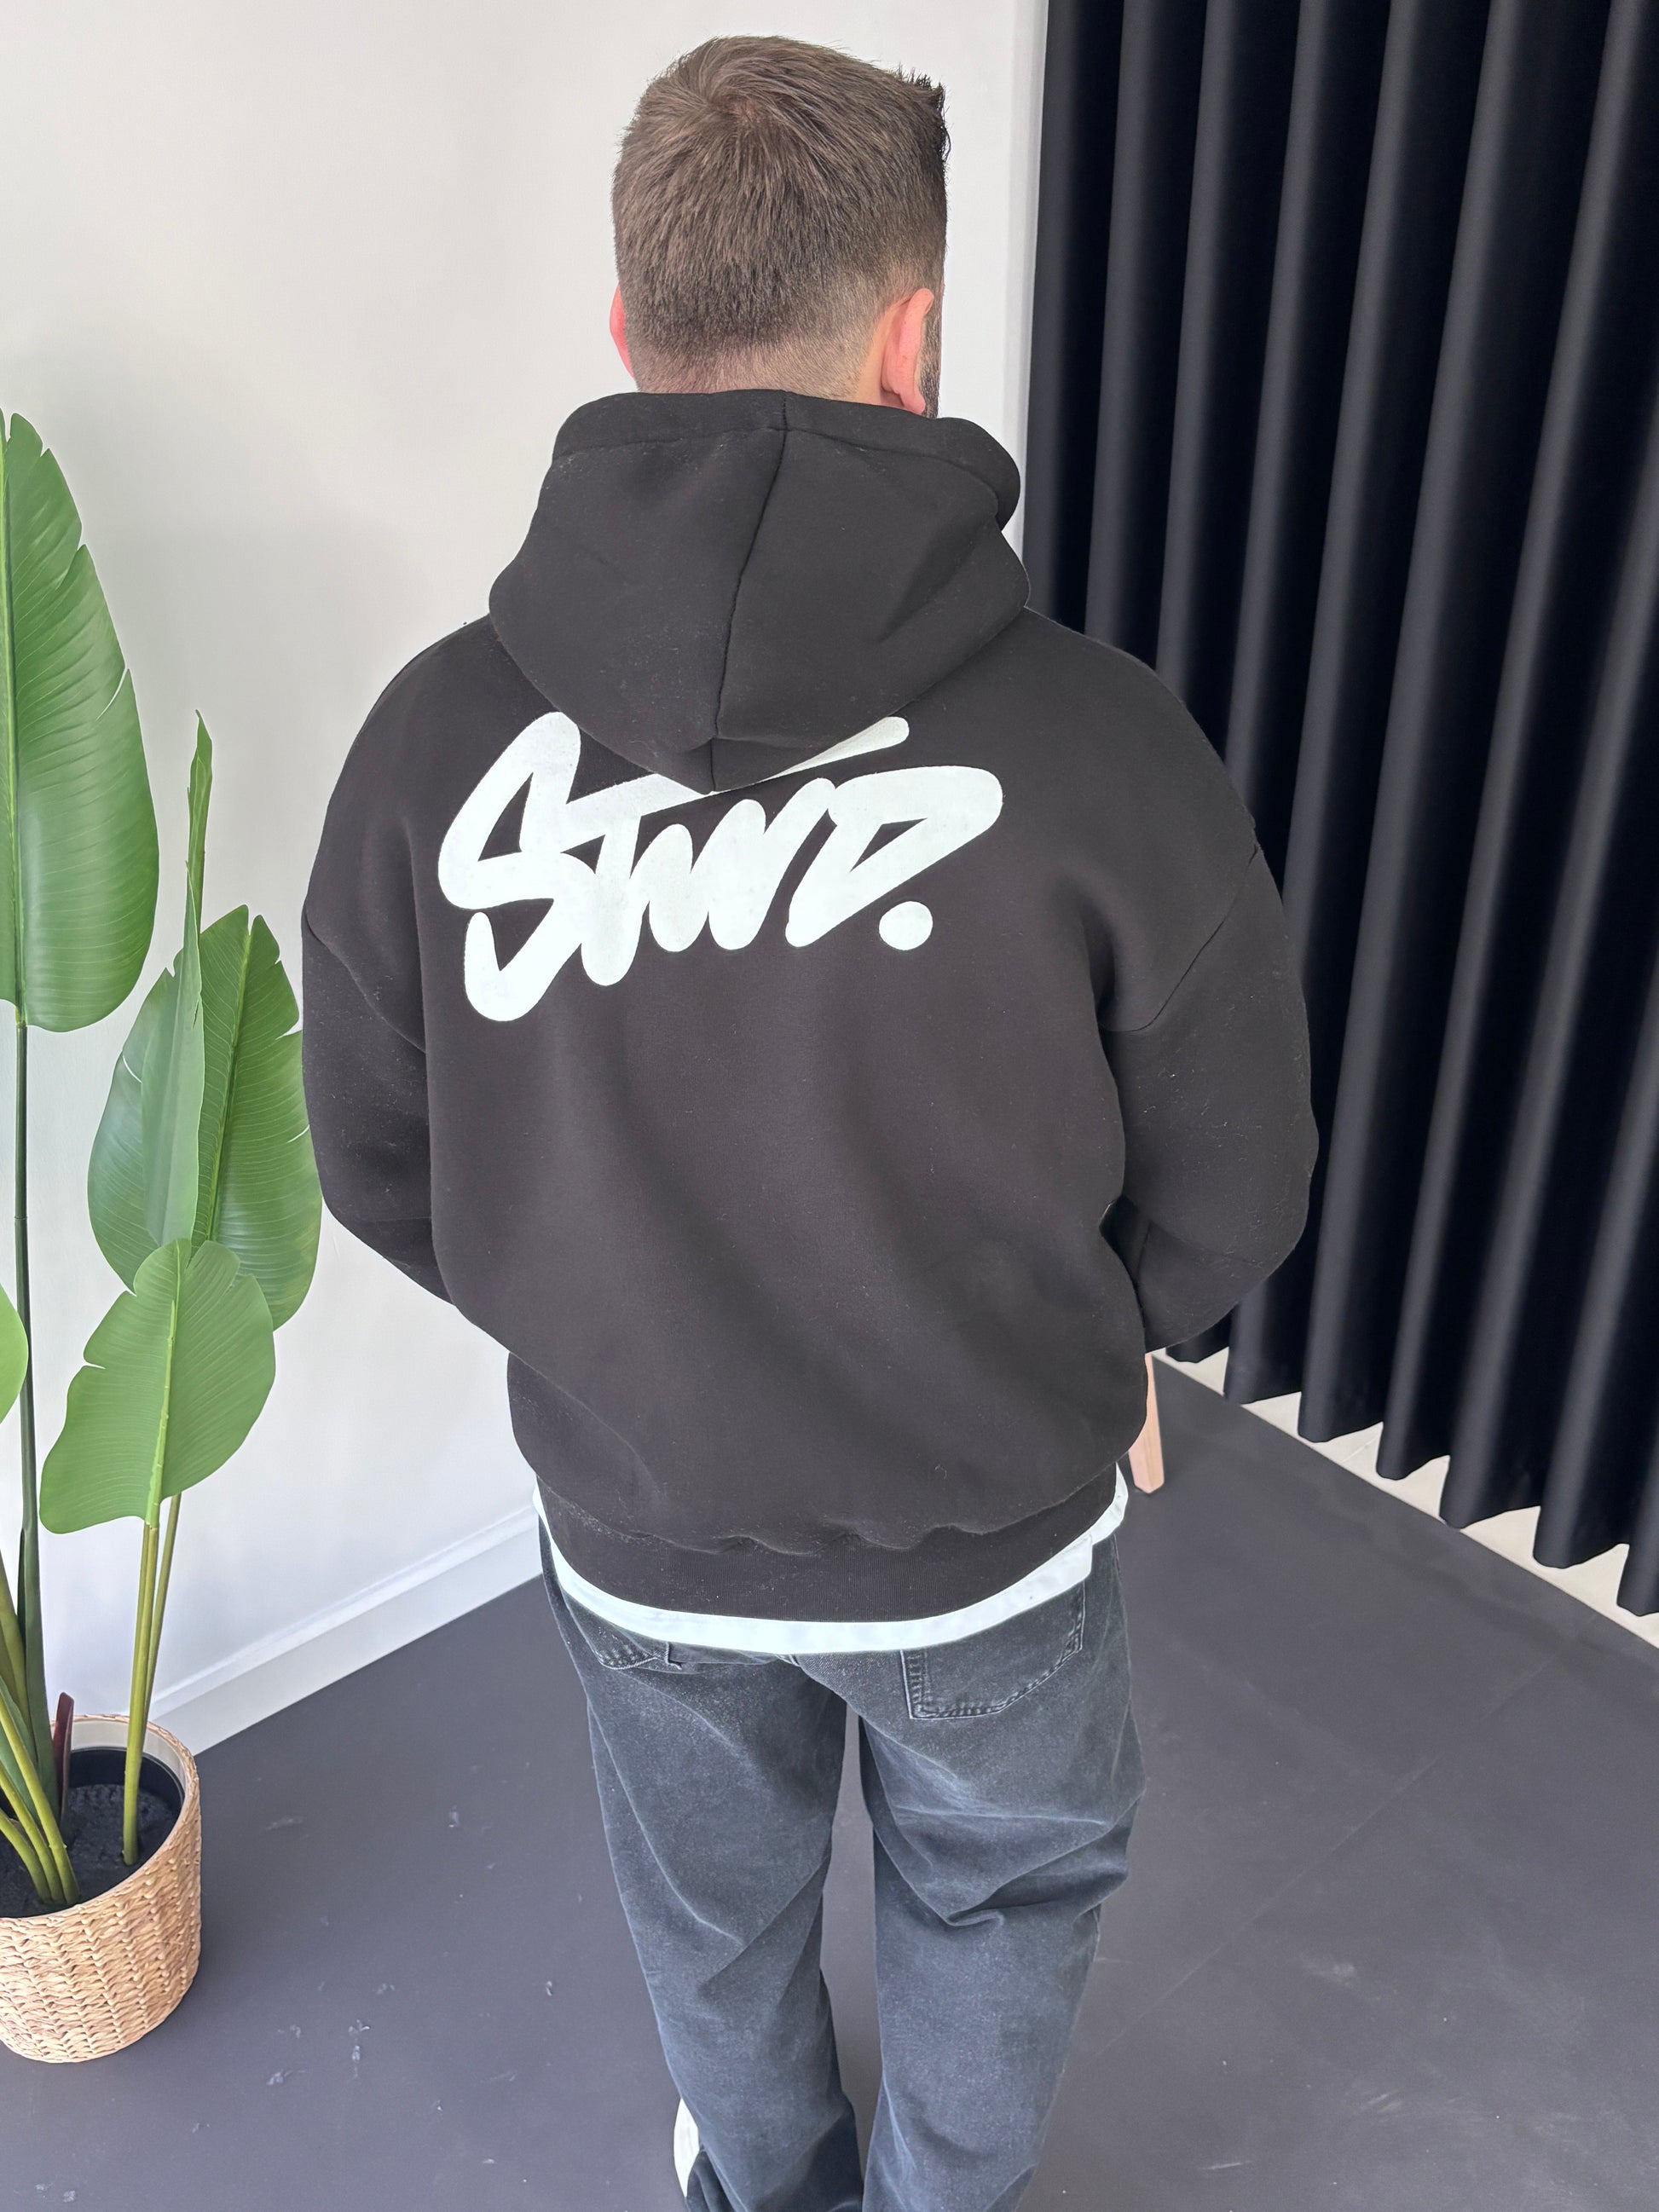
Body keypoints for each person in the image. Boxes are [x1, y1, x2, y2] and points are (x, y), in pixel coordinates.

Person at [302, 33, 1316, 2212]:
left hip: (637, 1525)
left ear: (624, 326)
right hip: (994, 1528)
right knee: (1000, 1890)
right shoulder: (1107, 746)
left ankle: (762, 2181)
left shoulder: (427, 748)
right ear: (911, 339)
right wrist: (1086, 1330)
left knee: (708, 1899)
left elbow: (377, 1156)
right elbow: (1240, 1172)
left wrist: (605, 1323)